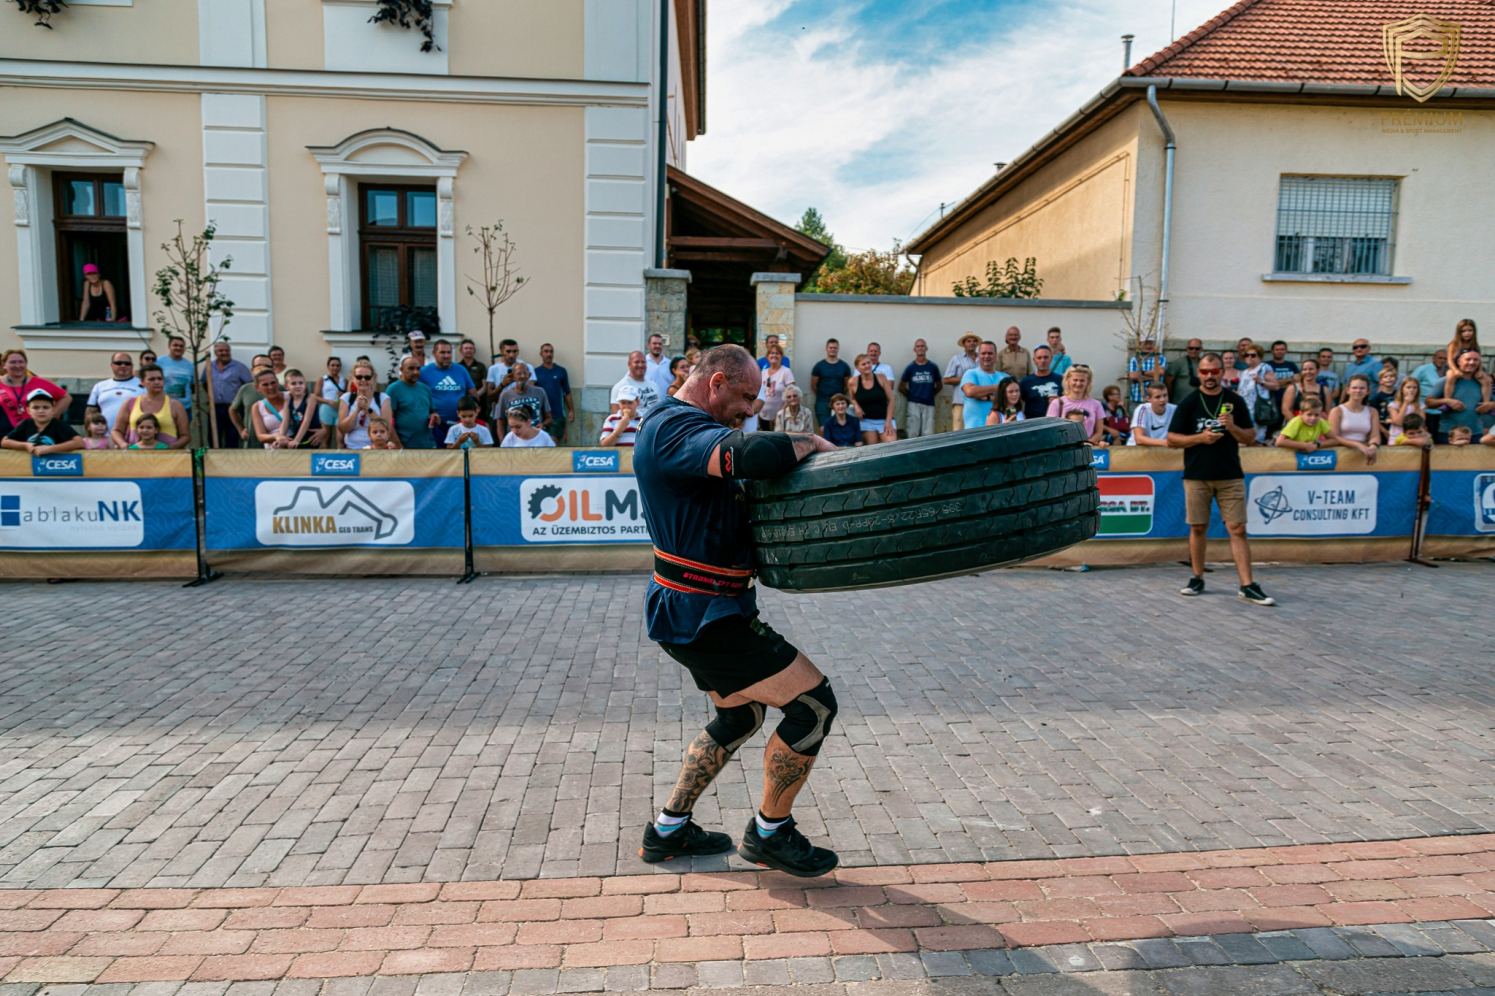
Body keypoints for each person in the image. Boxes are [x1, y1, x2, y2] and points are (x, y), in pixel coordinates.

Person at [633, 344, 841, 877]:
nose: (750, 410)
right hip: (705, 616)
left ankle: (668, 830)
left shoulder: (678, 425)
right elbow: (750, 456)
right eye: (747, 397)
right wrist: (812, 441)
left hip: (697, 610)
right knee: (813, 705)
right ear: (716, 383)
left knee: (740, 714)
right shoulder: (673, 428)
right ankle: (771, 833)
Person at [1167, 352, 1273, 606]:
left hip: (1229, 474)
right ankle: (1197, 577)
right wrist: (1200, 438)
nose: (1209, 376)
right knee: (1198, 527)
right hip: (1197, 475)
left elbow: (1250, 437)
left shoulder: (1234, 400)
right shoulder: (1189, 402)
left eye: (1214, 371)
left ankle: (1247, 585)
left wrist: (1232, 427)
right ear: (1199, 374)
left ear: (1222, 373)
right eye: (1205, 372)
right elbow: (1172, 439)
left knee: (1237, 528)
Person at [113, 364, 188, 449]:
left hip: (167, 455)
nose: (157, 382)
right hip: (135, 454)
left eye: (159, 378)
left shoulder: (175, 405)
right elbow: (116, 431)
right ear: (142, 382)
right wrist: (123, 444)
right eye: (151, 379)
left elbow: (185, 436)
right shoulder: (130, 403)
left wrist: (170, 448)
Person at [419, 340, 477, 447]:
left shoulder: (461, 370)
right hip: (436, 424)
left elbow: (473, 393)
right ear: (434, 353)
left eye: (449, 352)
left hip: (461, 423)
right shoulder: (424, 372)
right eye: (442, 352)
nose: (446, 356)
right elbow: (418, 397)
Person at [1, 349, 69, 437]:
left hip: (33, 434)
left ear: (26, 364)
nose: (18, 365)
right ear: (4, 365)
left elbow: (66, 398)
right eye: (13, 362)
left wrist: (52, 415)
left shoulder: (40, 382)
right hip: (3, 435)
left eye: (21, 362)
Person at [202, 342, 253, 447]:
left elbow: (249, 385)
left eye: (227, 350)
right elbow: (204, 383)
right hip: (215, 408)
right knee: (213, 437)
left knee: (232, 437)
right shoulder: (209, 366)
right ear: (215, 353)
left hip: (234, 408)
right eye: (221, 351)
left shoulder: (239, 367)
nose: (224, 353)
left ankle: (232, 457)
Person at [3, 389, 83, 455]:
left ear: (53, 409)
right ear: (28, 410)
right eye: (36, 407)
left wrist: (50, 449)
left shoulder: (58, 425)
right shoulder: (26, 424)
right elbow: (5, 441)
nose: (41, 411)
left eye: (45, 407)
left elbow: (79, 442)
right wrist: (25, 445)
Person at [1440, 348, 1495, 440]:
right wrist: (1447, 401)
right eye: (1468, 359)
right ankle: (1447, 402)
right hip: (1450, 431)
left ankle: (1485, 402)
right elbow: (1429, 402)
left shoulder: (1482, 379)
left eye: (1475, 360)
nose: (1472, 362)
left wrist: (1490, 404)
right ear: (1459, 361)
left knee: (1486, 380)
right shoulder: (1444, 381)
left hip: (1475, 432)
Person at [338, 361, 394, 451]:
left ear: (373, 378)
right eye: (359, 377)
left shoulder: (383, 398)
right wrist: (357, 410)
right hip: (352, 449)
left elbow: (387, 429)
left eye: (367, 377)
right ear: (353, 379)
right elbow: (343, 429)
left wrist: (368, 409)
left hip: (377, 450)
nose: (363, 380)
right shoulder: (346, 398)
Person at [386, 355, 438, 449]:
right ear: (401, 369)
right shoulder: (393, 389)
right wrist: (397, 444)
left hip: (427, 445)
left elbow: (432, 412)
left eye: (418, 368)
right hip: (404, 446)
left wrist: (435, 417)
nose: (415, 372)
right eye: (411, 368)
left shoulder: (425, 389)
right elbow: (387, 421)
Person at [1044, 366, 1105, 445]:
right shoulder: (1056, 403)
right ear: (1068, 381)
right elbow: (1051, 430)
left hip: (1088, 448)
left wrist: (1087, 444)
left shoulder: (1096, 404)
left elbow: (1099, 432)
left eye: (1082, 380)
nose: (1078, 383)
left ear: (1088, 382)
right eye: (1075, 380)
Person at [1329, 374, 1382, 464]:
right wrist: (1357, 445)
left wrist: (1373, 446)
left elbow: (1375, 435)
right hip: (1341, 454)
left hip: (1363, 455)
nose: (1358, 390)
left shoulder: (1373, 412)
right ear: (1348, 390)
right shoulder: (1337, 411)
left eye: (1362, 388)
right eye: (1354, 388)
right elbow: (1334, 437)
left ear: (1367, 391)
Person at [87, 352, 144, 431]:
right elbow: (90, 412)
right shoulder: (99, 386)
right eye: (118, 363)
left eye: (127, 363)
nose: (123, 366)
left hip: (133, 435)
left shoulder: (144, 385)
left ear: (132, 366)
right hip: (104, 435)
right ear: (112, 365)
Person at [847, 353, 894, 445]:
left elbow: (891, 399)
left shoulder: (881, 377)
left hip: (885, 419)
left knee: (891, 446)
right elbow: (852, 398)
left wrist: (888, 421)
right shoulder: (852, 382)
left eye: (868, 363)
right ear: (857, 368)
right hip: (866, 421)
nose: (867, 366)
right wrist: (856, 405)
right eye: (863, 364)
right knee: (873, 448)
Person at [958, 341, 1007, 430]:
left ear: (996, 356)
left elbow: (1010, 398)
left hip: (999, 429)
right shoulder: (970, 373)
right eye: (983, 353)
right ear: (978, 356)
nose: (986, 356)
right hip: (974, 430)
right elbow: (970, 391)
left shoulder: (1005, 377)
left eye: (990, 353)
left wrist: (985, 396)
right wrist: (998, 388)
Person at [898, 338, 941, 438]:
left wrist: (930, 394)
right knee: (912, 432)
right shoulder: (910, 368)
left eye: (922, 346)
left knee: (929, 433)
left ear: (926, 348)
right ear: (914, 349)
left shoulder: (933, 367)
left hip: (929, 403)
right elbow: (901, 386)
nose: (920, 348)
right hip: (913, 404)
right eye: (918, 346)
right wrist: (912, 396)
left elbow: (939, 385)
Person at [532, 343, 573, 444]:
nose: (549, 354)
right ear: (541, 354)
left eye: (551, 351)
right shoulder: (535, 372)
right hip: (541, 416)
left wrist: (571, 410)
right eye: (546, 351)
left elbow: (567, 392)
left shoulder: (561, 371)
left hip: (557, 415)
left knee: (552, 443)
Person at [228, 355, 270, 448]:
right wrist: (241, 430)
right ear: (252, 370)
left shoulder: (280, 389)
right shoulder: (246, 389)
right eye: (258, 366)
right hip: (251, 439)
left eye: (267, 366)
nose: (262, 369)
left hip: (274, 439)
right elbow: (232, 410)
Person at [1237, 343, 1276, 442]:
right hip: (1244, 409)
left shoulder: (1264, 368)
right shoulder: (1244, 372)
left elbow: (1276, 386)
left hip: (1258, 409)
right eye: (1247, 355)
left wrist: (1261, 381)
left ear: (1260, 357)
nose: (1249, 357)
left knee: (1257, 437)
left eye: (1253, 355)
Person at [810, 339, 853, 429]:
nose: (833, 349)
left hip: (839, 402)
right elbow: (813, 385)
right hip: (822, 402)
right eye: (831, 347)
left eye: (835, 348)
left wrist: (840, 396)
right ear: (826, 349)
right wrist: (822, 394)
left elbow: (847, 385)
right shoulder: (819, 366)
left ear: (838, 349)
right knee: (823, 428)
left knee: (838, 428)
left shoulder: (844, 366)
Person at [498, 361, 552, 432]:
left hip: (535, 435)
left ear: (529, 375)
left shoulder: (540, 392)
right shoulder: (505, 395)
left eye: (525, 373)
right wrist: (503, 439)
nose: (522, 376)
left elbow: (549, 418)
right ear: (513, 376)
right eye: (519, 374)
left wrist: (543, 424)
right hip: (515, 437)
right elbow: (500, 421)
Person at [275, 370, 324, 449]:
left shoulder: (310, 398)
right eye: (293, 383)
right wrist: (281, 437)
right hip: (298, 434)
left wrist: (296, 440)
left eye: (301, 383)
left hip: (312, 437)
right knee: (280, 446)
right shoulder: (288, 399)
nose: (298, 386)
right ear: (286, 386)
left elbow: (306, 421)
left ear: (305, 384)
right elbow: (285, 421)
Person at [943, 332, 981, 430]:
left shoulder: (981, 359)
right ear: (964, 344)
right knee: (958, 431)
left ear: (977, 344)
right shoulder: (957, 359)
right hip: (961, 401)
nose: (972, 343)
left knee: (976, 430)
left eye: (974, 341)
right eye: (969, 341)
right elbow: (946, 380)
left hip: (978, 401)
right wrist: (965, 379)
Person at [1412, 349, 1449, 442]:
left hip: (1443, 411)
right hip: (1426, 410)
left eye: (1445, 359)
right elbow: (1411, 383)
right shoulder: (1423, 369)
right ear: (1434, 358)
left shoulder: (1449, 371)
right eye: (1440, 358)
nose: (1443, 360)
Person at [755, 345, 795, 431]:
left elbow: (792, 395)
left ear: (781, 356)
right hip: (763, 416)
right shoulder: (763, 372)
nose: (774, 355)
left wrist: (780, 413)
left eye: (777, 353)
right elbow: (758, 393)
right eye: (772, 353)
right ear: (767, 356)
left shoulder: (786, 372)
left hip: (780, 417)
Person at [1019, 345, 1063, 420]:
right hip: (1033, 423)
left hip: (1056, 422)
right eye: (1039, 358)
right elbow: (1017, 403)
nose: (1043, 360)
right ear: (1034, 360)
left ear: (1051, 358)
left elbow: (1068, 401)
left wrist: (1060, 401)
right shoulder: (1025, 382)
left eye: (1046, 357)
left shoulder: (1061, 380)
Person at [249, 369, 289, 449]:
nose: (270, 387)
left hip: (297, 445)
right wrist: (276, 437)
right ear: (257, 388)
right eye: (265, 385)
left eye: (273, 383)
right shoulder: (257, 407)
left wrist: (318, 431)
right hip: (274, 449)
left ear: (278, 382)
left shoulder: (291, 396)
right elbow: (260, 436)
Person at [611, 351, 661, 415]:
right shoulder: (620, 387)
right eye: (636, 362)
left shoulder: (654, 386)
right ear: (629, 364)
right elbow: (616, 416)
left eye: (643, 362)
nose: (640, 365)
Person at [482, 338, 525, 408]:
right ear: (502, 352)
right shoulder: (493, 369)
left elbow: (531, 391)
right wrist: (502, 385)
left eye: (515, 351)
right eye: (508, 351)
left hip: (521, 408)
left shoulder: (526, 367)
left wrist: (520, 381)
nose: (511, 355)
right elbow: (490, 395)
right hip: (501, 408)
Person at [157, 336, 194, 411]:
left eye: (181, 346)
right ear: (169, 346)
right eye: (175, 345)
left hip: (185, 407)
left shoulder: (190, 365)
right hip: (165, 407)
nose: (178, 348)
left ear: (184, 349)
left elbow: (192, 385)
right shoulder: (159, 362)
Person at [1127, 336, 1166, 406]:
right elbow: (1133, 376)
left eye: (1150, 343)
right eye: (1145, 343)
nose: (1148, 346)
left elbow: (1160, 372)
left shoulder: (1160, 358)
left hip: (1155, 399)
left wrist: (1142, 373)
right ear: (1140, 345)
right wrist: (1153, 377)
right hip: (1138, 397)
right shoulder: (1135, 359)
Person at [318, 357, 346, 448]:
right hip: (326, 408)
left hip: (340, 409)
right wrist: (328, 401)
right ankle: (324, 456)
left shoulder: (344, 380)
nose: (335, 367)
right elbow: (315, 396)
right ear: (328, 366)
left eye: (337, 365)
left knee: (340, 438)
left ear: (340, 367)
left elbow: (349, 396)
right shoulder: (322, 379)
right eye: (332, 365)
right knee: (325, 438)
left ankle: (340, 455)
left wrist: (343, 395)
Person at [1387, 376, 1425, 443]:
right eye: (1408, 387)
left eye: (1415, 387)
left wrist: (1416, 406)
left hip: (1415, 438)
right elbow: (1398, 422)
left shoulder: (1421, 405)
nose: (1412, 390)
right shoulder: (1393, 405)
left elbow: (1420, 423)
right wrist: (1406, 403)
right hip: (1396, 437)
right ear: (1402, 389)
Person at [1266, 340, 1298, 412]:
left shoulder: (1291, 364)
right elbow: (1270, 383)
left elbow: (1297, 380)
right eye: (1277, 349)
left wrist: (1278, 383)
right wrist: (1289, 380)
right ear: (1272, 351)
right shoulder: (1267, 365)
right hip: (1273, 400)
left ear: (1286, 351)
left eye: (1282, 349)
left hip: (1290, 399)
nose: (1279, 351)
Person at [1168, 338, 1203, 403]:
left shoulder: (1203, 363)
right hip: (1179, 402)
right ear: (1186, 349)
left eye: (1197, 348)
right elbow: (1168, 381)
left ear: (1201, 349)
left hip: (1197, 402)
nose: (1194, 351)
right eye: (1191, 348)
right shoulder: (1179, 362)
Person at [1368, 367, 1399, 435]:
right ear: (1380, 381)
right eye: (1385, 377)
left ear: (1396, 379)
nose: (1389, 378)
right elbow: (1374, 418)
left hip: (1398, 428)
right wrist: (1385, 432)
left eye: (1392, 376)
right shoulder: (1375, 398)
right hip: (1383, 429)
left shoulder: (1400, 395)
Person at [645, 333, 675, 398]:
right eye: (654, 343)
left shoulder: (670, 364)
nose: (657, 346)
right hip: (648, 403)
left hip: (667, 403)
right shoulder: (643, 363)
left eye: (660, 344)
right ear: (648, 345)